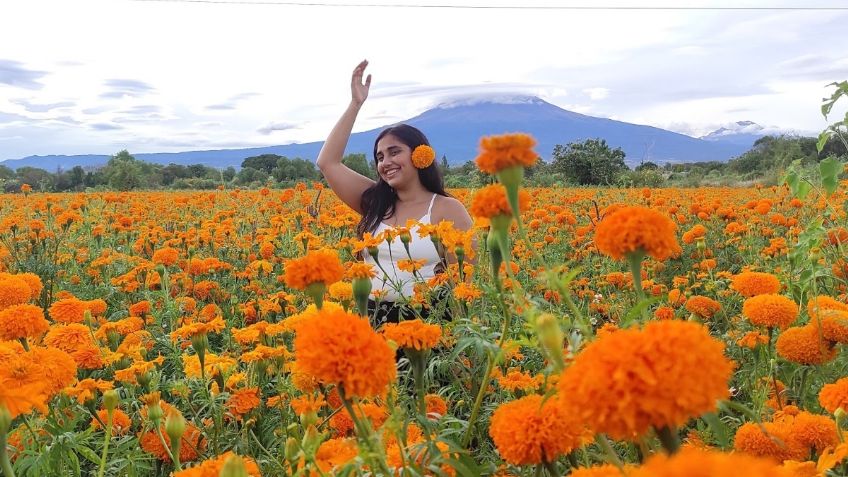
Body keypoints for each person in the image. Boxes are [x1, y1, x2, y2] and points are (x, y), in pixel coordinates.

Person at [316, 60, 474, 327]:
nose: (385, 162)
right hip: (371, 320)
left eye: (394, 151)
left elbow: (464, 286)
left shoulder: (448, 209)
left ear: (420, 154)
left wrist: (456, 342)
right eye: (379, 156)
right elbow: (327, 162)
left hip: (429, 324)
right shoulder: (375, 202)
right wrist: (355, 104)